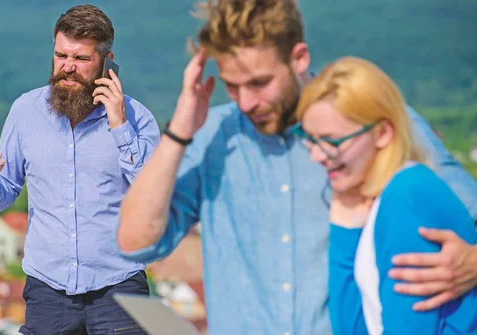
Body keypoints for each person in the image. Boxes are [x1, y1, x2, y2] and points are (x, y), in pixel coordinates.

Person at [115, 0, 477, 334]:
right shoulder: (208, 135)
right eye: (232, 86)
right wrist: (179, 131)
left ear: (299, 57)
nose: (246, 102)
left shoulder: (369, 123)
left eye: (259, 83)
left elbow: (464, 209)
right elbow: (134, 244)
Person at [0, 5, 159, 335]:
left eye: (81, 59)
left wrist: (120, 127)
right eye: (61, 55)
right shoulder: (25, 112)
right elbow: (1, 199)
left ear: (106, 60)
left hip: (120, 286)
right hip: (47, 291)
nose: (67, 68)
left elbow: (155, 196)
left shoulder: (137, 119)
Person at [294, 56, 477, 334]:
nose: (317, 156)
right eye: (310, 139)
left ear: (382, 133)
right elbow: (351, 327)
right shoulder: (382, 196)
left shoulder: (407, 197)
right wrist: (345, 226)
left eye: (332, 141)